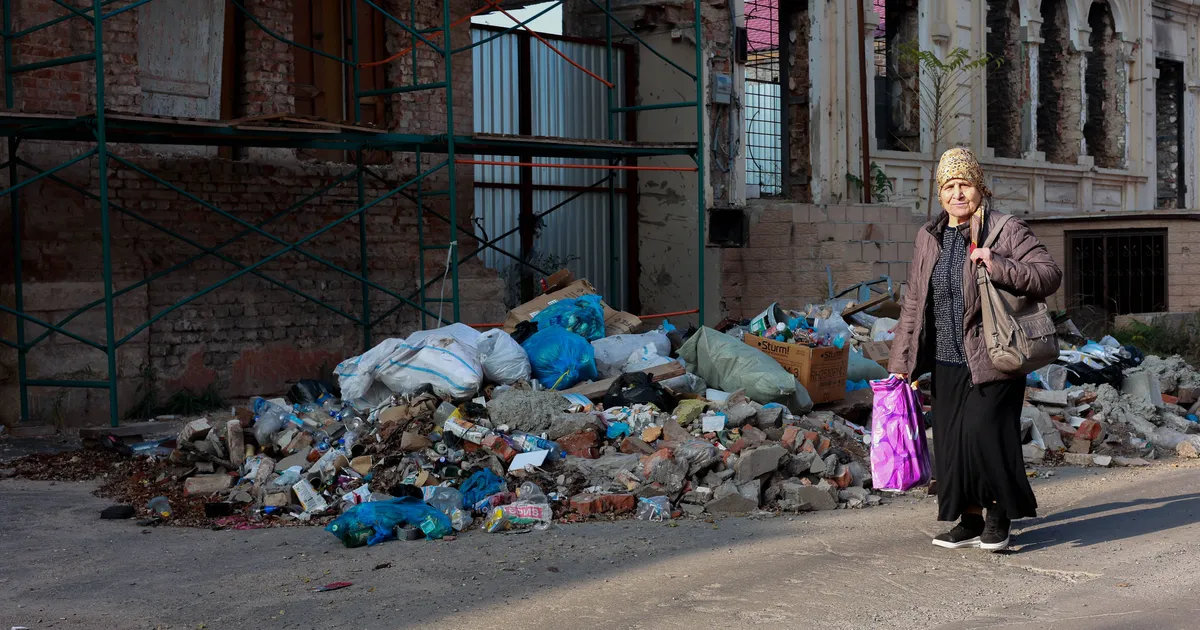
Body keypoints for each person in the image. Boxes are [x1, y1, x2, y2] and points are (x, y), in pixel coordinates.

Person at [888, 147, 1062, 552]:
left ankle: (999, 515)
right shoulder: (929, 237)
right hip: (947, 359)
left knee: (985, 435)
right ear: (939, 193)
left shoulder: (1005, 230)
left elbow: (1048, 275)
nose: (957, 193)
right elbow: (914, 299)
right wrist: (902, 362)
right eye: (948, 186)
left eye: (964, 184)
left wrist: (997, 263)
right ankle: (968, 519)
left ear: (979, 187)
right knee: (952, 442)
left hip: (995, 355)